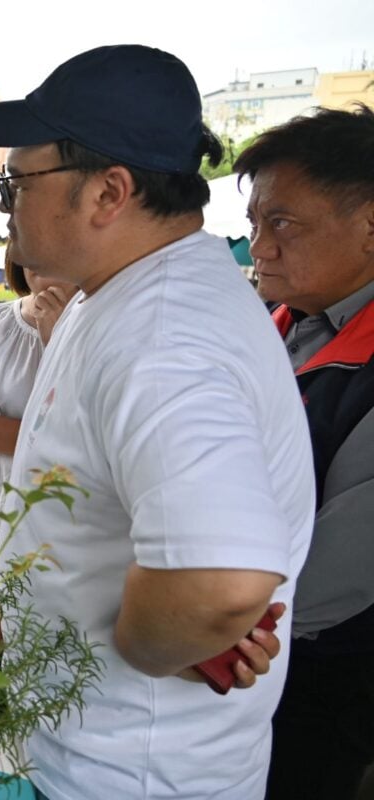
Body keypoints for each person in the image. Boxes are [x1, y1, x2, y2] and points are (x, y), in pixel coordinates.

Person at [0, 45, 315, 799]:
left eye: (16, 183)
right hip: (86, 755)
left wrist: (149, 645)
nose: (7, 205)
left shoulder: (164, 336)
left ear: (107, 192)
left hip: (128, 773)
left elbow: (222, 582)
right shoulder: (118, 292)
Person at [231, 105, 374, 800]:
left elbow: (337, 574)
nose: (258, 247)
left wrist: (200, 627)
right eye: (254, 222)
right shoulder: (267, 325)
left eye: (282, 223)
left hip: (317, 675)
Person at [0, 242, 73, 586]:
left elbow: (93, 428)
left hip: (75, 522)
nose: (41, 269)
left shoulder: (102, 327)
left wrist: (57, 341)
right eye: (30, 256)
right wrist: (60, 443)